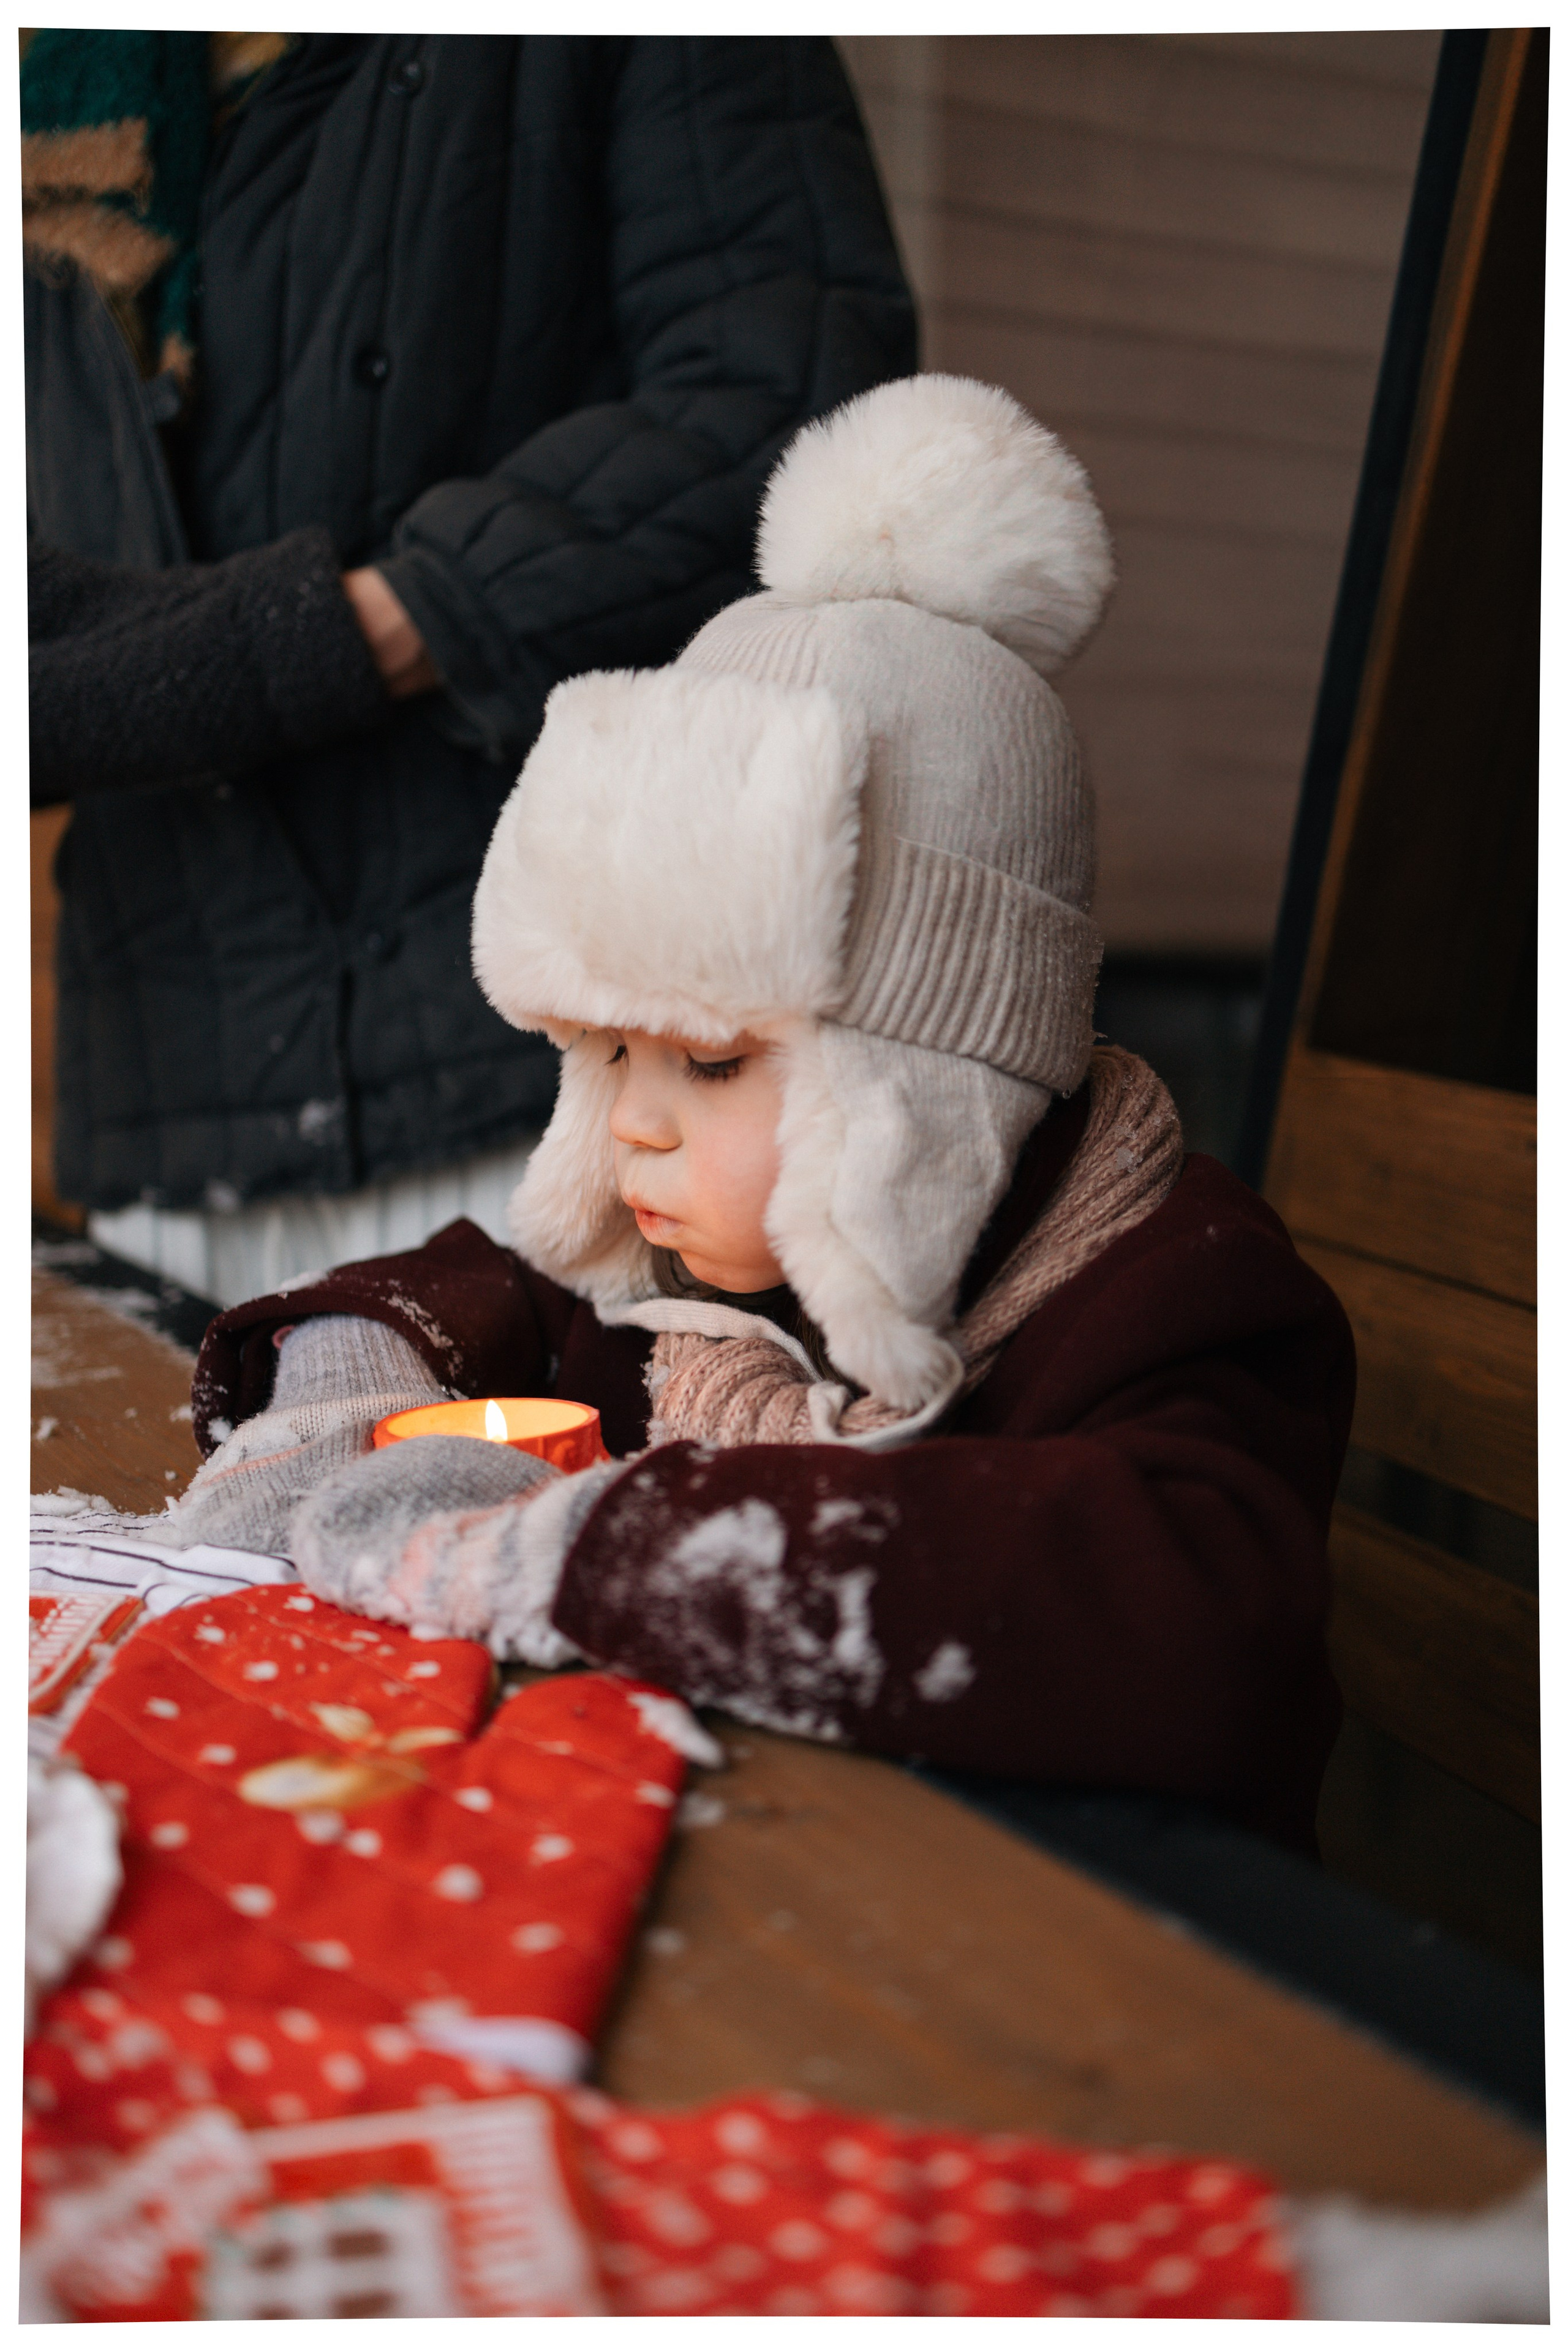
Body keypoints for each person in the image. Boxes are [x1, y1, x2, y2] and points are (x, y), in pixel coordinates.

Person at [170, 375, 1354, 1851]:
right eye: (606, 1058)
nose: (634, 1133)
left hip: (1112, 1959)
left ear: (927, 1073)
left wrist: (607, 1555)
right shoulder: (695, 1265)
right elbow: (516, 1291)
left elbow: (1200, 1626)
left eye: (710, 1063)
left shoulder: (1173, 1290)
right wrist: (351, 1367)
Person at [24, 31, 916, 1302]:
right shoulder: (48, 86)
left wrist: (324, 638)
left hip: (555, 1095)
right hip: (167, 1117)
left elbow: (787, 399)